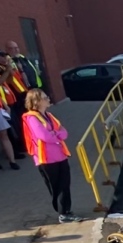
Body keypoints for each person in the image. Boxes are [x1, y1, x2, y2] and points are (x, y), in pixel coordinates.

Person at [22, 89, 80, 223]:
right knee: (57, 186)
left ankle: (66, 211)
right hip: (46, 158)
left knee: (65, 184)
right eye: (44, 97)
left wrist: (56, 134)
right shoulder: (31, 118)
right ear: (37, 101)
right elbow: (44, 136)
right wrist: (57, 135)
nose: (48, 99)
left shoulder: (48, 115)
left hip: (60, 155)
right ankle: (63, 214)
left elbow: (64, 132)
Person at [0, 49, 29, 158]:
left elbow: (16, 77)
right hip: (7, 101)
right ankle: (19, 147)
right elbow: (2, 81)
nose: (4, 58)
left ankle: (24, 143)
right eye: (1, 56)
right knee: (14, 126)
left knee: (21, 122)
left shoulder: (7, 66)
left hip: (17, 96)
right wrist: (8, 69)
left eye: (5, 56)